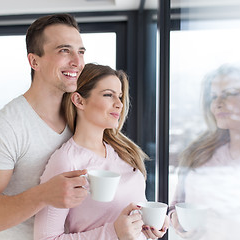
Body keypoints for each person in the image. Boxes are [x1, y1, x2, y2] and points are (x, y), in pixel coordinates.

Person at [0, 13, 89, 239]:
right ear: (34, 61)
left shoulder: (81, 117)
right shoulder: (4, 127)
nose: (77, 61)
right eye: (64, 50)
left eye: (80, 52)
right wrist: (42, 195)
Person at [34, 63, 169, 240]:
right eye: (108, 95)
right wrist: (113, 232)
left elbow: (132, 219)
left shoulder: (125, 153)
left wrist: (149, 225)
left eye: (120, 97)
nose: (119, 104)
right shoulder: (66, 162)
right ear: (79, 101)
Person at [168, 64, 240, 240]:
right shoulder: (199, 153)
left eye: (230, 93)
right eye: (213, 97)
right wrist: (176, 219)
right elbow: (176, 206)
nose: (218, 103)